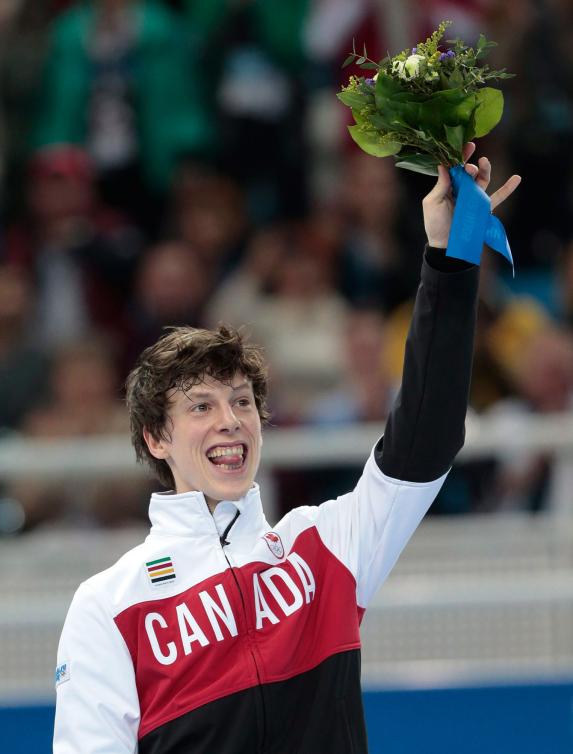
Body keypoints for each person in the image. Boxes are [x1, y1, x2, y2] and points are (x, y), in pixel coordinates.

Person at [53, 143, 520, 753]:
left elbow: (425, 440)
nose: (231, 422)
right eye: (202, 406)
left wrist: (451, 256)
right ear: (155, 437)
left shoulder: (322, 547)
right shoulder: (109, 606)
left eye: (243, 402)